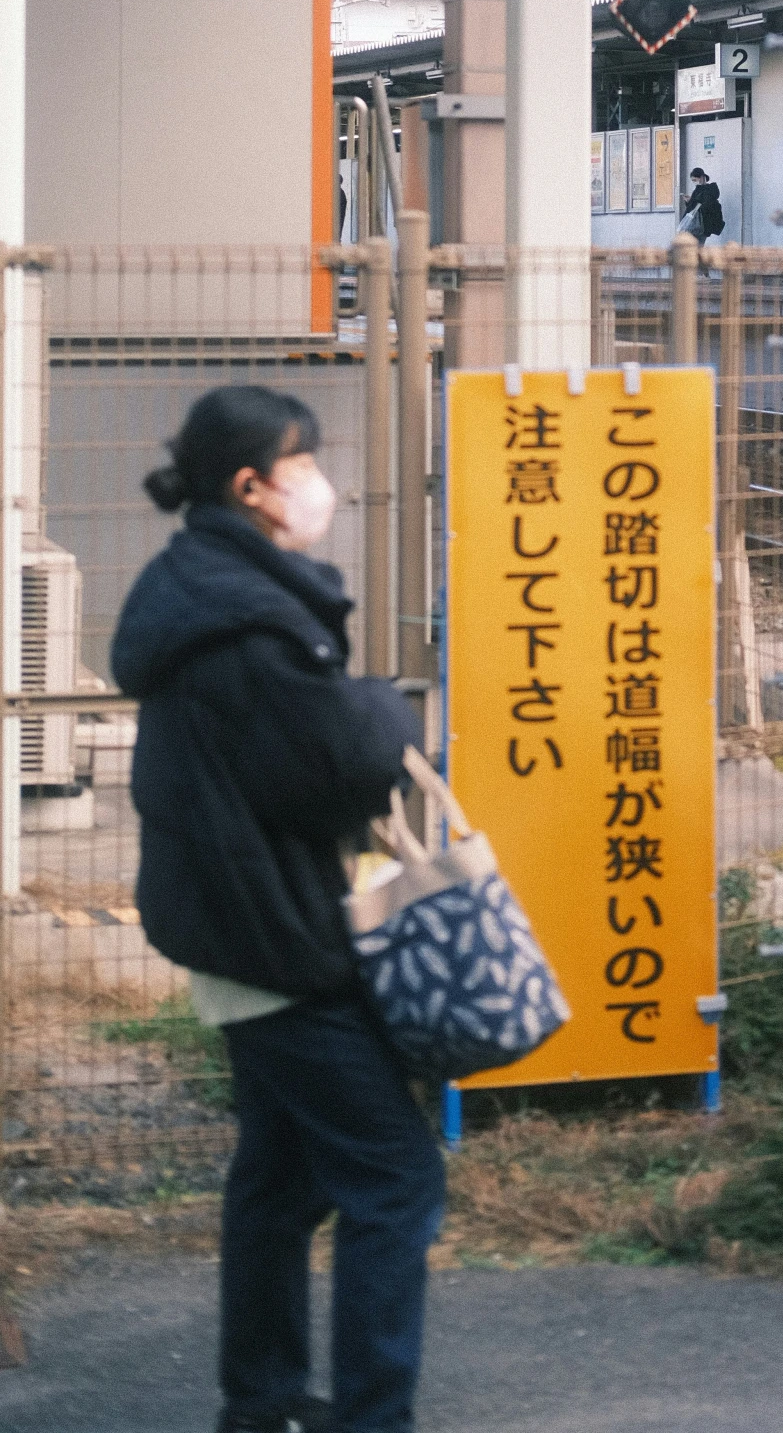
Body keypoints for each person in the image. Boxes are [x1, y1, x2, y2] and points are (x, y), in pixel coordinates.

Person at [112, 387, 443, 1433]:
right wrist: (390, 707)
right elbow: (339, 765)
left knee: (280, 1183)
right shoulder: (246, 618)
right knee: (395, 1178)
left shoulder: (201, 587)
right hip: (276, 938)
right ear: (252, 487)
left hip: (232, 924)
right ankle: (370, 1418)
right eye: (306, 464)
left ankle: (259, 1405)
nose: (321, 484)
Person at [678, 166, 724, 244]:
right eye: (693, 180)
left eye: (695, 179)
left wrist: (691, 201)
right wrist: (688, 201)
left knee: (697, 247)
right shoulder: (697, 190)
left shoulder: (710, 190)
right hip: (694, 224)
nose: (694, 182)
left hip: (703, 224)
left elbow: (705, 206)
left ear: (702, 177)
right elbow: (693, 208)